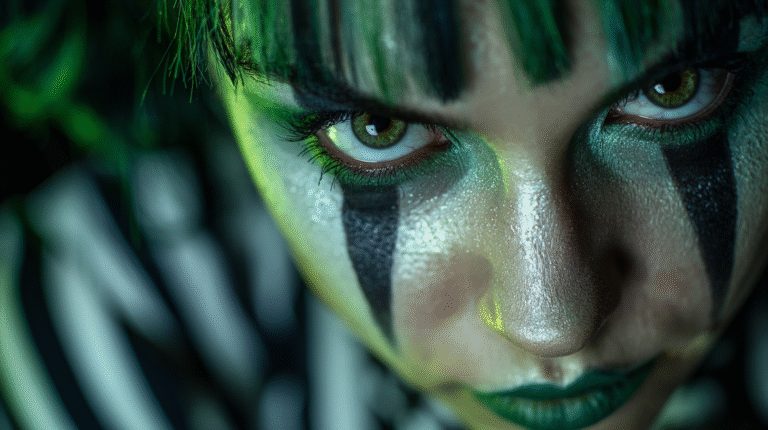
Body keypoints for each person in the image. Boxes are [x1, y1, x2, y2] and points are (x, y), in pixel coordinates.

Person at [2, 0, 768, 429]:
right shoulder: (109, 303)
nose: (554, 320)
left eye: (678, 89)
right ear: (207, 81)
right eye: (379, 131)